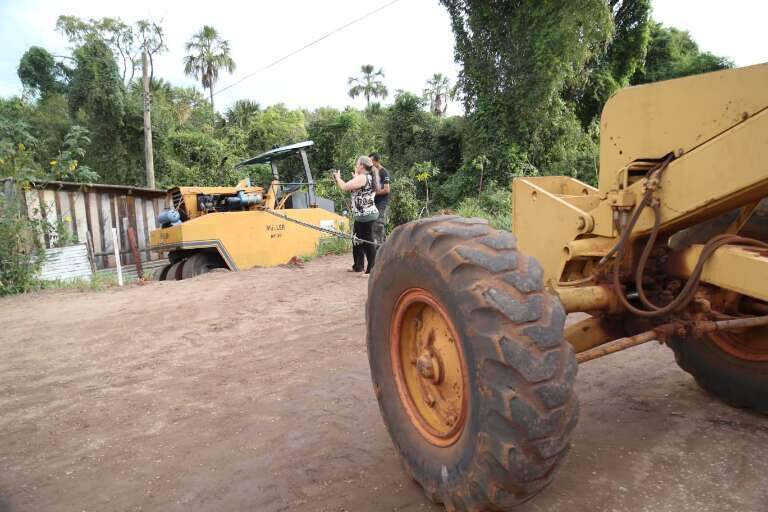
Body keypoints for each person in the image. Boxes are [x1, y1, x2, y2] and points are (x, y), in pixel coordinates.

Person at [333, 156, 378, 273]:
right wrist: (355, 177)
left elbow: (344, 187)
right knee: (356, 240)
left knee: (368, 242)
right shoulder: (364, 177)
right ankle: (358, 266)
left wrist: (338, 177)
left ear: (362, 166)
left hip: (367, 216)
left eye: (357, 164)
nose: (356, 165)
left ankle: (371, 270)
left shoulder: (363, 177)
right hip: (361, 216)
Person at [368, 153, 391, 245]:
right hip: (373, 203)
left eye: (371, 161)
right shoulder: (372, 173)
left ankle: (382, 246)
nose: (369, 163)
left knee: (379, 224)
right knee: (373, 224)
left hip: (382, 203)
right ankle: (378, 246)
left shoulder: (384, 172)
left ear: (376, 161)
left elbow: (387, 189)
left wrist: (374, 193)